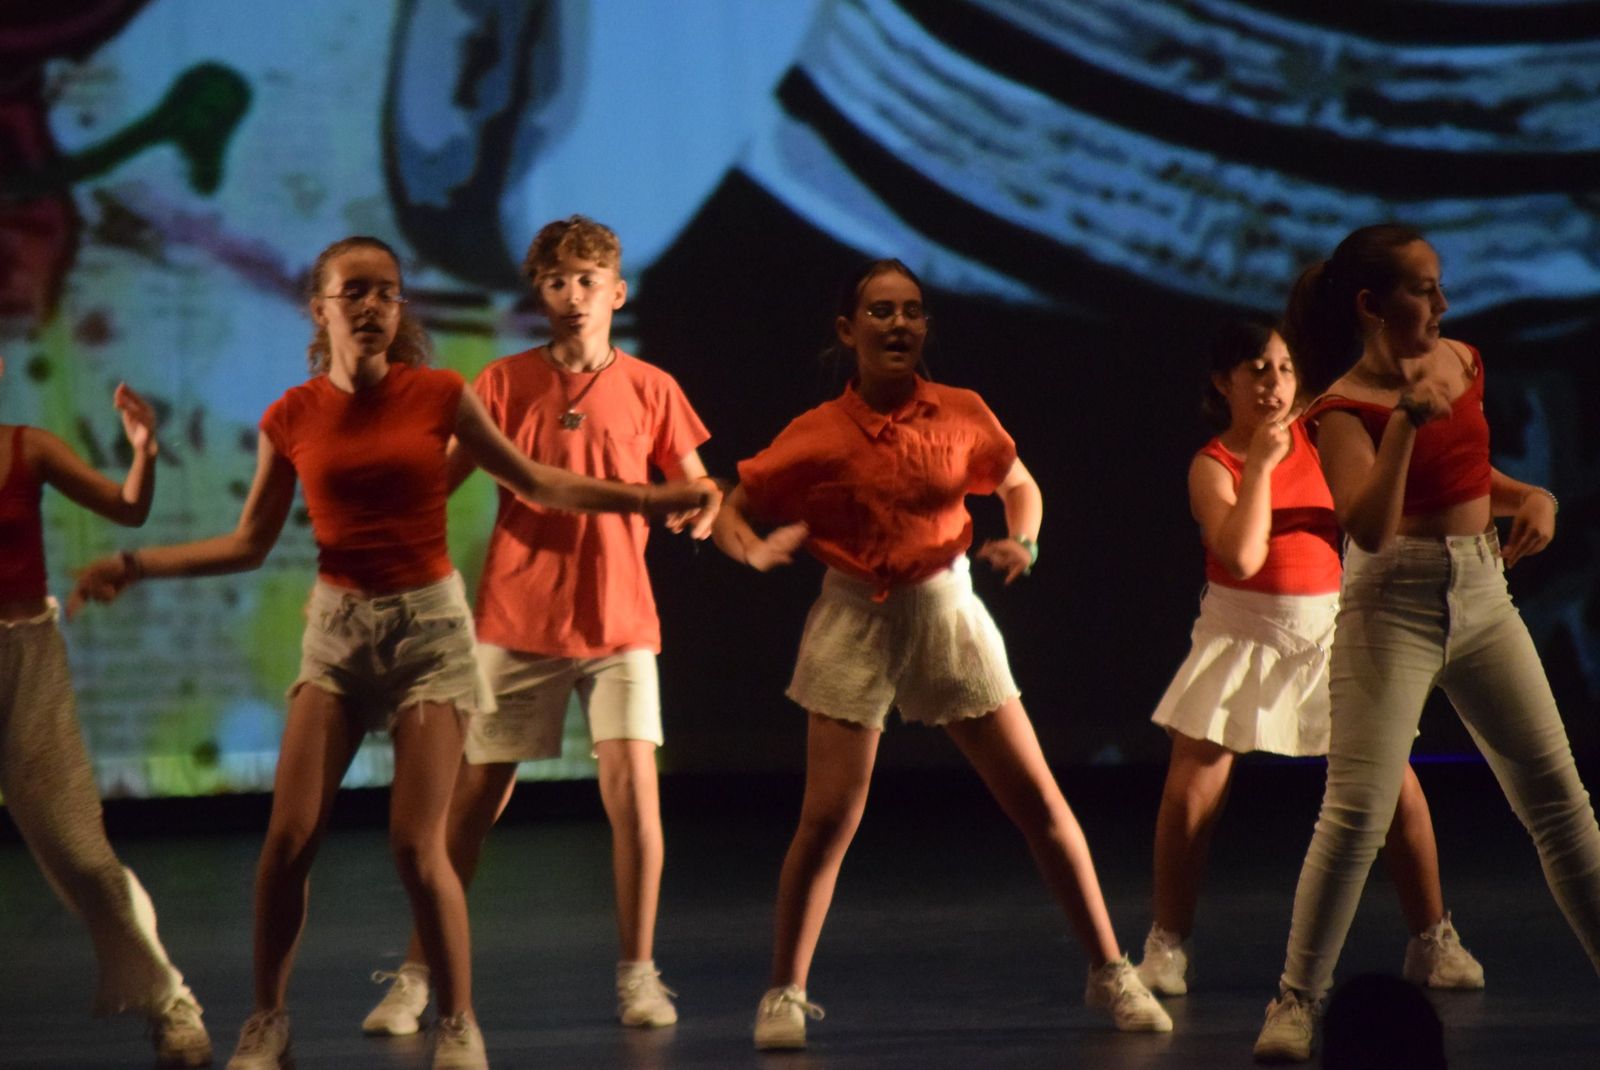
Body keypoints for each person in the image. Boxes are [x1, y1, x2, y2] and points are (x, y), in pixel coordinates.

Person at [68, 236, 714, 1070]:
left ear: (401, 309)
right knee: (288, 838)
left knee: (418, 845)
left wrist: (656, 494)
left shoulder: (444, 396)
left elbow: (542, 483)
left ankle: (458, 1021)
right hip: (338, 631)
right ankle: (268, 1017)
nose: (372, 306)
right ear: (321, 307)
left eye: (387, 292)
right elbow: (249, 543)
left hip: (432, 634)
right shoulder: (292, 414)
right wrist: (134, 564)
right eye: (354, 292)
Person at [713, 258, 1171, 1050]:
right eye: (882, 311)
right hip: (854, 622)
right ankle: (784, 992)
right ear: (847, 330)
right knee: (826, 820)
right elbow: (734, 501)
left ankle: (1110, 970)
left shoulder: (960, 412)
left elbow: (1018, 482)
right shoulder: (816, 432)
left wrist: (1024, 539)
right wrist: (749, 549)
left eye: (913, 311)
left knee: (1037, 800)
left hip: (946, 610)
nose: (899, 325)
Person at [360, 216, 717, 1037]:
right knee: (475, 800)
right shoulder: (500, 384)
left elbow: (696, 485)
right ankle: (418, 974)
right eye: (556, 282)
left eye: (588, 280)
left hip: (622, 620)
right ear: (540, 295)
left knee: (635, 799)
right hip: (518, 617)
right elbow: (437, 488)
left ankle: (638, 973)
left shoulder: (653, 387)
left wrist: (706, 510)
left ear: (617, 292)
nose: (572, 296)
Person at [1252, 224, 1600, 1062]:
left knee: (1557, 800)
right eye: (1423, 290)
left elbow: (1467, 477)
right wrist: (1402, 423)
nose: (1442, 304)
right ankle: (1296, 1002)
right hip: (1391, 604)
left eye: (1441, 285)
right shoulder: (1339, 408)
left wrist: (1532, 497)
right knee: (1357, 814)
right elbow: (1367, 527)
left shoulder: (1464, 364)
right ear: (1373, 305)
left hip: (1482, 595)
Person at [1136, 320, 1482, 999]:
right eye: (1257, 369)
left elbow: (1400, 494)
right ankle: (1166, 945)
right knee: (1189, 795)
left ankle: (1433, 939)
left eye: (1285, 368)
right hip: (1240, 635)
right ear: (1223, 381)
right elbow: (1239, 555)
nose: (1274, 383)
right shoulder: (1215, 463)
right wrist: (1262, 464)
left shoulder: (1326, 434)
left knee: (1396, 789)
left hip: (1329, 633)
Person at [0, 355, 211, 1067]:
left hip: (25, 660)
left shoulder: (26, 447)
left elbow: (128, 508)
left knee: (83, 857)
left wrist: (144, 451)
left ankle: (170, 1002)